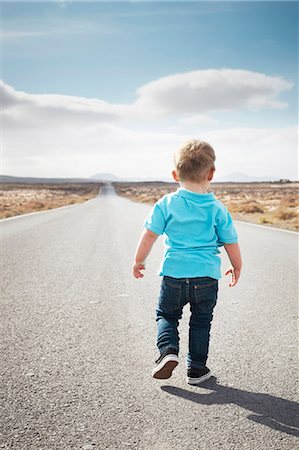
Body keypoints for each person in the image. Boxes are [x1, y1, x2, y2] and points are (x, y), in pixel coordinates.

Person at [132, 140, 242, 385]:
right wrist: (237, 266)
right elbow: (230, 242)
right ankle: (196, 370)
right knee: (201, 322)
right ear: (211, 173)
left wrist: (139, 260)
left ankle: (168, 351)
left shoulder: (166, 204)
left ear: (174, 174)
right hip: (206, 277)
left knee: (167, 316)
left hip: (173, 275)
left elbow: (150, 234)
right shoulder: (217, 208)